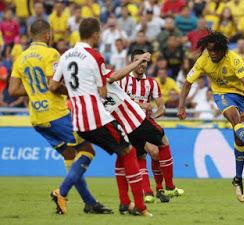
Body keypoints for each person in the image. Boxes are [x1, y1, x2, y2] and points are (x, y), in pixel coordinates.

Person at [48, 17, 151, 217]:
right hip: (96, 118)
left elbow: (53, 86)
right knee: (129, 152)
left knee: (88, 152)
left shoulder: (66, 55)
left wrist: (74, 91)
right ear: (95, 34)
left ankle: (65, 193)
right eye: (100, 32)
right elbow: (104, 91)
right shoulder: (94, 57)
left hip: (77, 120)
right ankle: (139, 205)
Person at [8, 19, 112, 214]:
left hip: (37, 119)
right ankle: (61, 192)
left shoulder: (20, 58)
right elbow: (53, 86)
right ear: (47, 35)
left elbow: (13, 90)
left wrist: (33, 91)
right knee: (88, 150)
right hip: (56, 114)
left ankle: (89, 202)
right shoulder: (51, 53)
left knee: (70, 156)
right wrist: (71, 92)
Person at [177, 31, 244, 203]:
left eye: (215, 50)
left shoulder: (233, 59)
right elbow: (188, 83)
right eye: (209, 50)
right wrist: (181, 106)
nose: (212, 54)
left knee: (239, 139)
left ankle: (238, 179)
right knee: (235, 120)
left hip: (240, 96)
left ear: (223, 50)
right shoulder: (203, 59)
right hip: (222, 95)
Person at [114, 49, 184, 202]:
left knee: (150, 154)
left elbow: (161, 107)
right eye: (138, 61)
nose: (141, 64)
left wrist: (154, 114)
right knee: (153, 151)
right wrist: (141, 105)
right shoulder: (123, 81)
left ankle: (155, 191)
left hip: (144, 122)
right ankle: (156, 189)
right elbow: (118, 101)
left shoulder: (152, 83)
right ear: (132, 63)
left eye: (144, 61)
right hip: (129, 124)